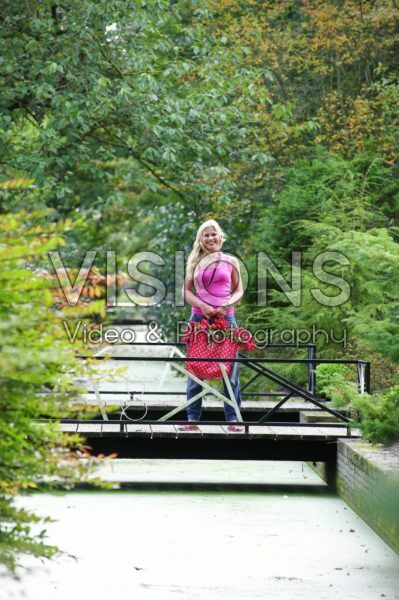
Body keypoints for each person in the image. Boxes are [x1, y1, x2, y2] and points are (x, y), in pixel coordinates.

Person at [181, 219, 244, 430]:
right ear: (201, 239)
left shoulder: (231, 261)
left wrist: (227, 305)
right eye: (206, 235)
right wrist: (202, 305)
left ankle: (233, 419)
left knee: (231, 370)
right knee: (195, 369)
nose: (210, 238)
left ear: (220, 237)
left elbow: (238, 290)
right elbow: (186, 292)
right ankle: (192, 420)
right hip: (199, 320)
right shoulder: (193, 262)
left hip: (227, 320)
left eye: (213, 234)